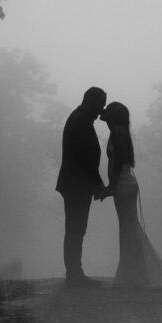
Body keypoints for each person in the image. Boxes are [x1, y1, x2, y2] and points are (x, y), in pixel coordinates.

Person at [100, 101, 162, 289]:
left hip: (123, 183)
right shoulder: (119, 131)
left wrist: (111, 185)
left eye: (108, 110)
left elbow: (118, 160)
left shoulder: (118, 132)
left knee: (129, 227)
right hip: (125, 182)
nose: (104, 112)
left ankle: (135, 274)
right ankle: (134, 272)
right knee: (128, 226)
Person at [55, 87, 109, 287]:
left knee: (77, 228)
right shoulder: (80, 121)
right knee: (76, 229)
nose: (101, 109)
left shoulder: (80, 119)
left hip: (76, 183)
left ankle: (75, 273)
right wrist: (98, 184)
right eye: (100, 104)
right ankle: (74, 275)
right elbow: (84, 158)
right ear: (90, 100)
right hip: (76, 184)